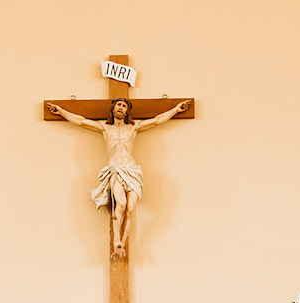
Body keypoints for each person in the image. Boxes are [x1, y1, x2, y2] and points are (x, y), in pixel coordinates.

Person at [46, 97, 191, 259]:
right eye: (118, 105)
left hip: (132, 171)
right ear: (113, 109)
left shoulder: (134, 127)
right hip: (116, 170)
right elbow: (81, 121)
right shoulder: (104, 127)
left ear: (127, 111)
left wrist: (177, 109)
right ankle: (116, 240)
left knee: (130, 208)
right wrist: (61, 111)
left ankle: (122, 242)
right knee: (120, 204)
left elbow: (157, 121)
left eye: (124, 106)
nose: (121, 108)